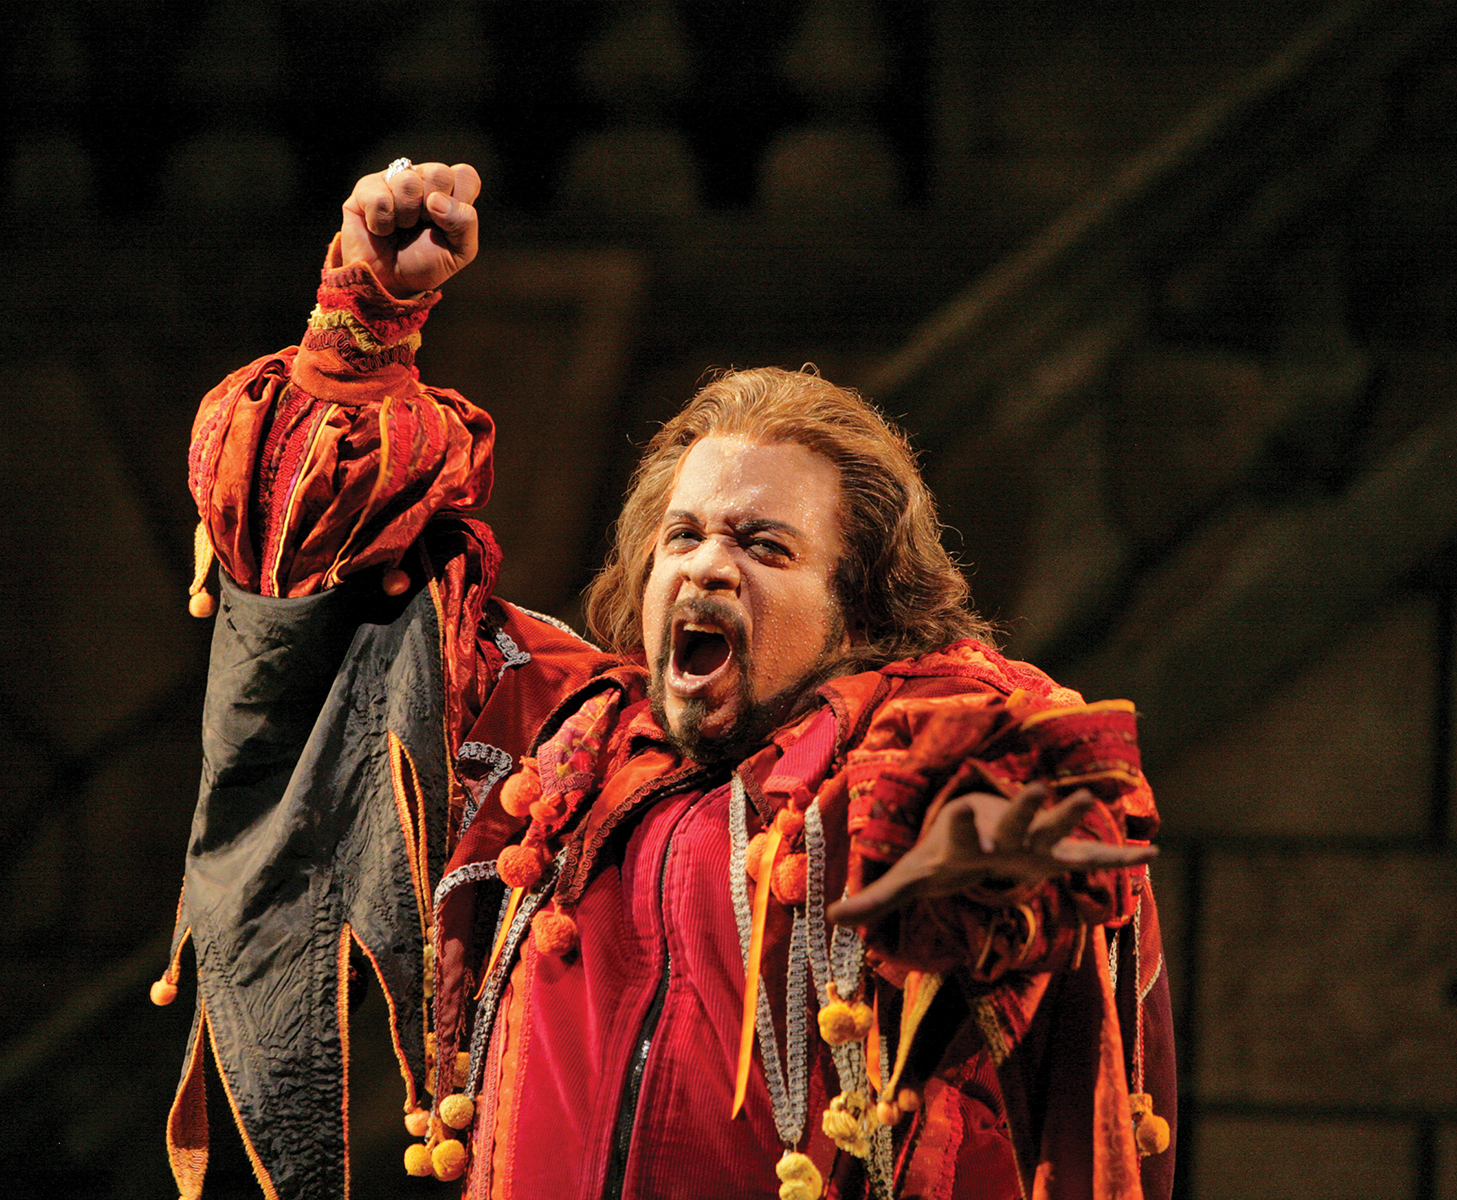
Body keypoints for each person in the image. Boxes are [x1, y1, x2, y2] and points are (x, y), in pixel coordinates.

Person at [155, 160, 1176, 1200]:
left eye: (765, 547)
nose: (706, 564)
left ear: (858, 610)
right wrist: (365, 314)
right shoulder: (553, 750)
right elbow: (309, 564)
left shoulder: (896, 762)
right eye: (683, 535)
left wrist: (986, 831)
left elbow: (1066, 820)